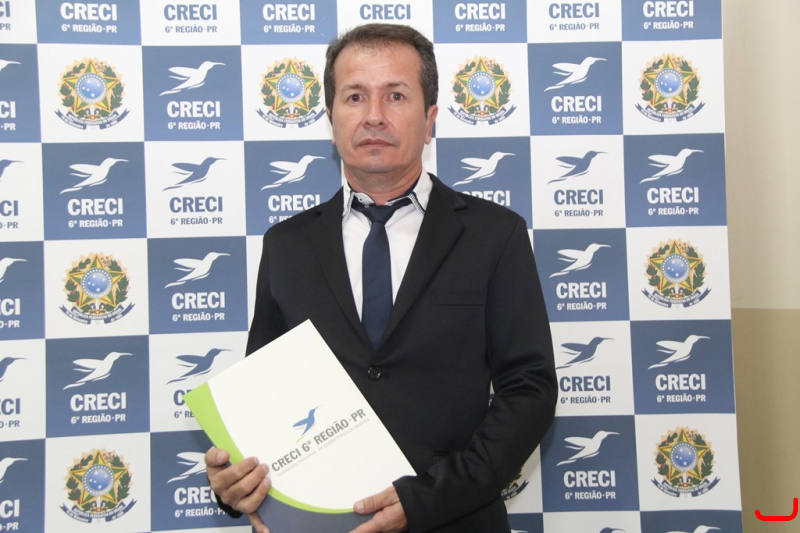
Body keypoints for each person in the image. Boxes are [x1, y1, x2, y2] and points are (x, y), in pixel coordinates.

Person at [205, 23, 557, 533]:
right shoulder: (286, 245)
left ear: (430, 118)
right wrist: (239, 487)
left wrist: (427, 500)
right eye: (354, 96)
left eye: (395, 95)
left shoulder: (494, 235)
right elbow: (264, 403)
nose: (373, 115)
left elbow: (529, 390)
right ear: (331, 119)